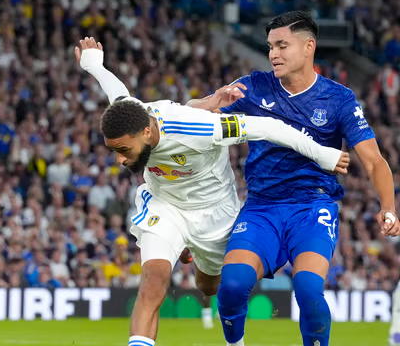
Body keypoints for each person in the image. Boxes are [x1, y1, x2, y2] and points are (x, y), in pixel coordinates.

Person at [74, 37, 349, 346]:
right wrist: (93, 64)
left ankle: (202, 268)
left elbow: (269, 128)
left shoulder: (203, 129)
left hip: (214, 212)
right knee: (153, 280)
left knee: (209, 286)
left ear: (147, 133)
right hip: (165, 206)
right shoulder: (130, 115)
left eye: (124, 150)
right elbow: (116, 90)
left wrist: (322, 154)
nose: (120, 159)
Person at [188, 10, 399, 346]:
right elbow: (188, 117)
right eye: (271, 46)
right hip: (262, 208)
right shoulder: (254, 86)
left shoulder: (339, 99)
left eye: (282, 45)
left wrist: (388, 206)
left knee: (308, 289)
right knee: (230, 287)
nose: (273, 54)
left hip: (311, 208)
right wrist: (211, 102)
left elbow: (373, 161)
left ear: (308, 47)